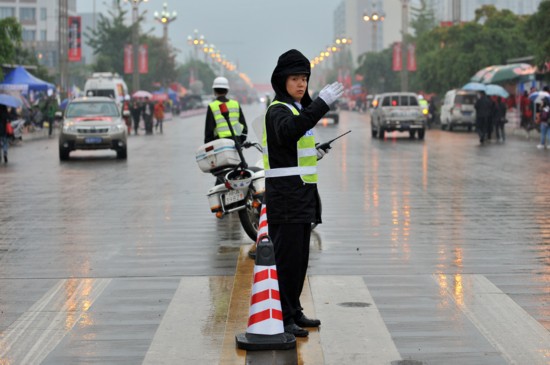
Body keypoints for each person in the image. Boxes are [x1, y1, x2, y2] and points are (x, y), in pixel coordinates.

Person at [263, 49, 343, 337]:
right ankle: (284, 317)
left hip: (301, 196)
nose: (301, 84)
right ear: (282, 80)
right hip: (285, 199)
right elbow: (288, 132)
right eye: (295, 78)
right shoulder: (278, 111)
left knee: (299, 260)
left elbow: (293, 148)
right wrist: (321, 104)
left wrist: (316, 152)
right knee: (286, 260)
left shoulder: (296, 110)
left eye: (305, 79)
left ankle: (294, 310)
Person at [204, 76, 248, 144]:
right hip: (236, 142)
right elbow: (243, 126)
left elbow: (209, 131)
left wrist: (208, 145)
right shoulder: (235, 104)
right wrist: (240, 141)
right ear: (227, 90)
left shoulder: (212, 106)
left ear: (214, 91)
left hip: (220, 143)